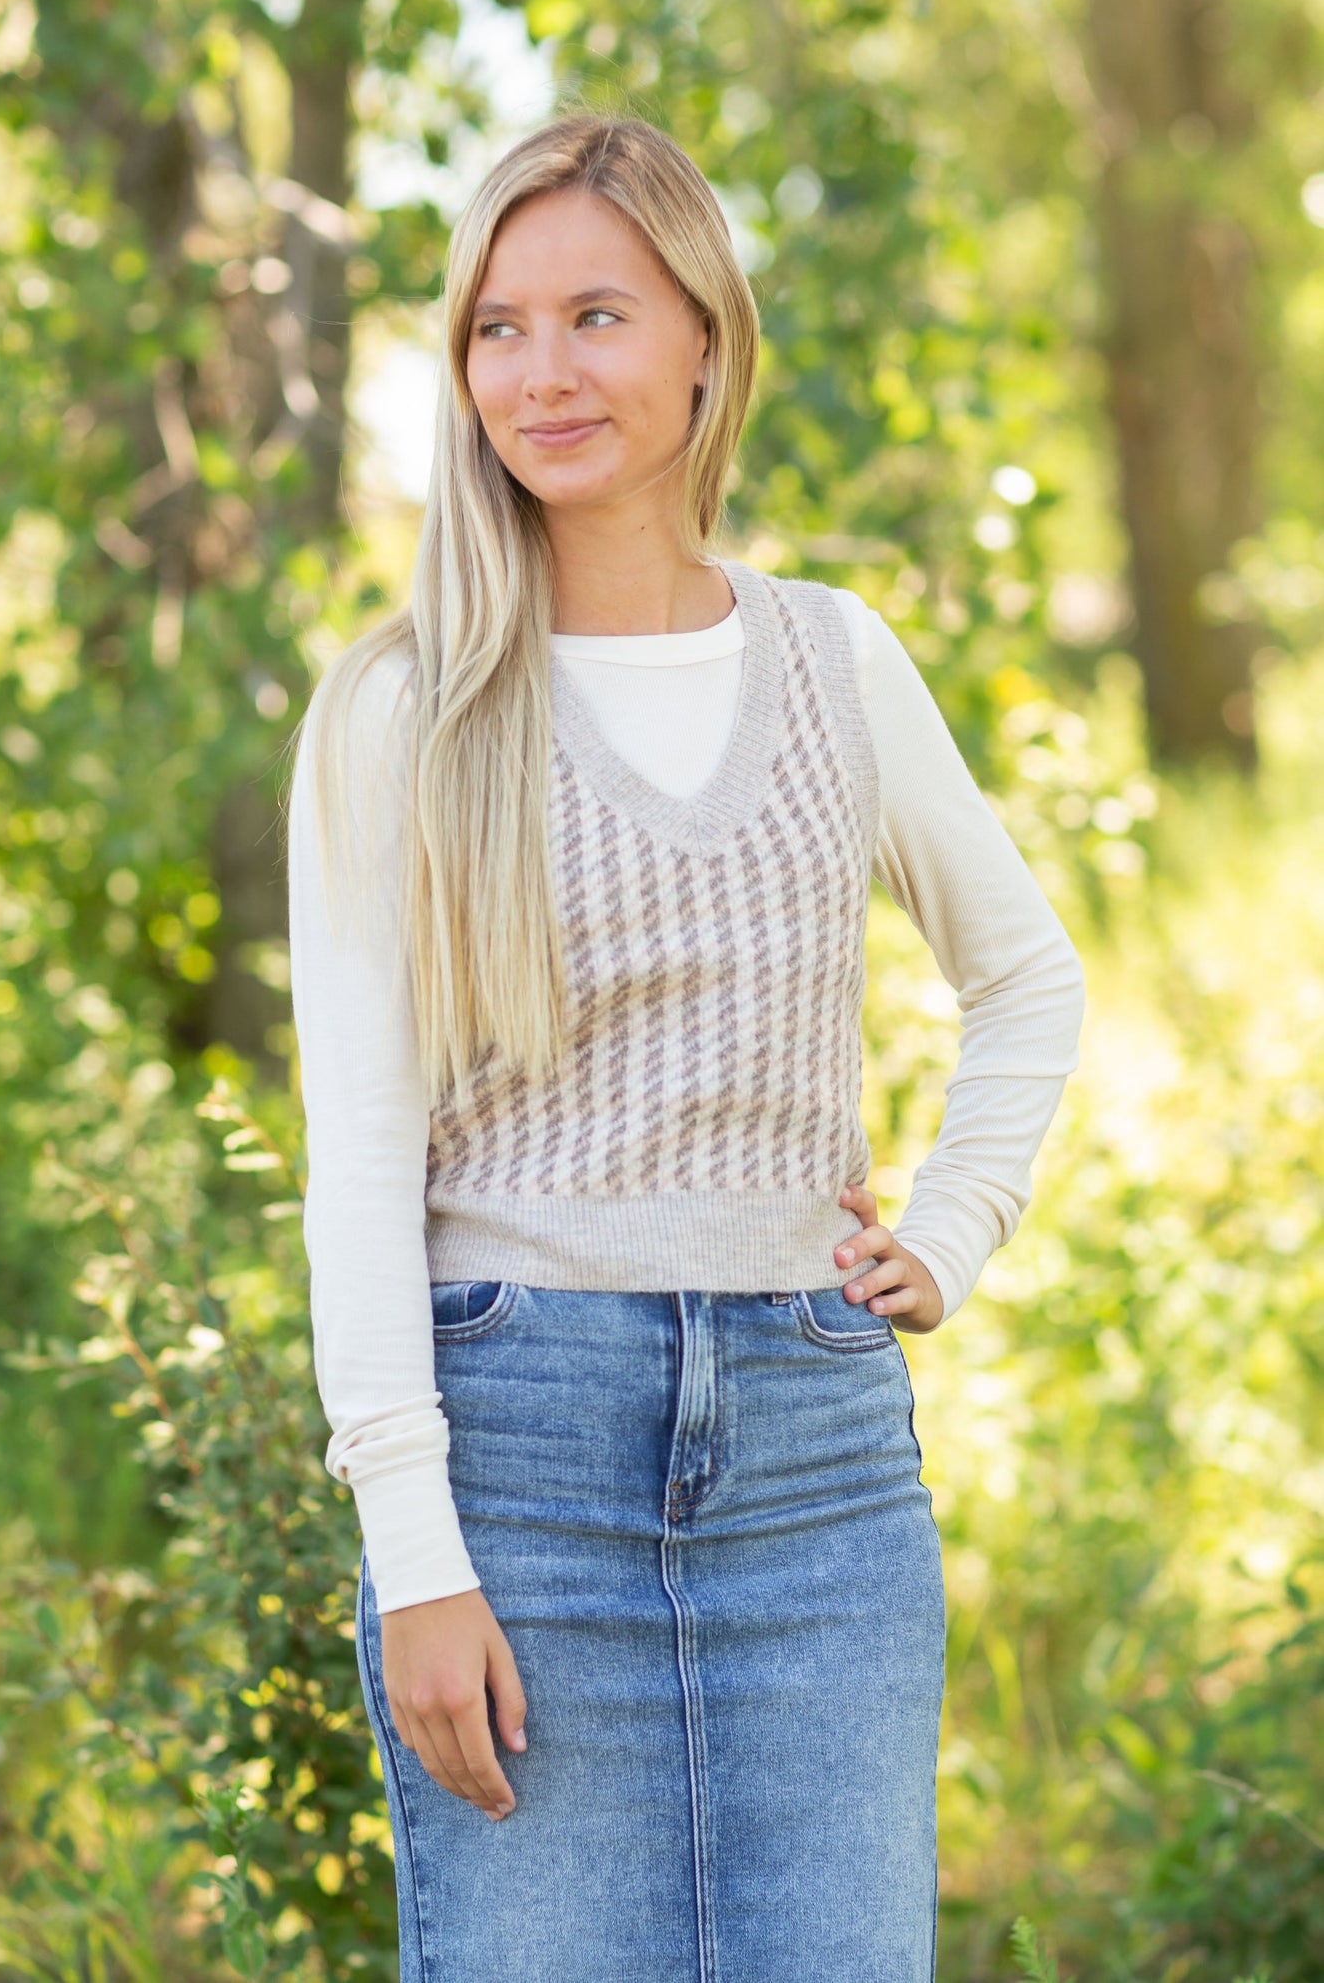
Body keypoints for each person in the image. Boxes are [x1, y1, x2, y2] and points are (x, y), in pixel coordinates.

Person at [287, 110, 1086, 1983]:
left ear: (705, 339)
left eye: (596, 316)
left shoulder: (834, 662)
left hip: (818, 1470)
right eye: (496, 327)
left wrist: (954, 1228)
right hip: (518, 1461)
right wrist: (414, 1547)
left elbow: (1027, 978)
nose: (539, 373)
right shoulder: (401, 708)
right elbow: (359, 1153)